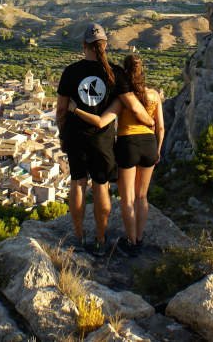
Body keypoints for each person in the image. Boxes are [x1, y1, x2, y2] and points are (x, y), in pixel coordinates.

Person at [56, 23, 153, 257]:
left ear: (84, 46)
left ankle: (79, 236)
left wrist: (62, 134)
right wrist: (150, 121)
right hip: (102, 140)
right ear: (105, 45)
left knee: (77, 183)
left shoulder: (70, 72)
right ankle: (101, 238)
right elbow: (134, 106)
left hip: (76, 136)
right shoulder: (116, 73)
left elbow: (61, 110)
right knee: (101, 186)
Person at [68, 53, 164, 256]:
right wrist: (158, 150)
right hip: (150, 145)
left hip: (128, 145)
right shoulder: (154, 95)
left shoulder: (122, 99)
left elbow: (101, 122)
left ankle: (130, 242)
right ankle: (139, 239)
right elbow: (161, 128)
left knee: (127, 199)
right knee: (142, 196)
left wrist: (76, 110)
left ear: (125, 73)